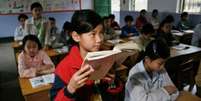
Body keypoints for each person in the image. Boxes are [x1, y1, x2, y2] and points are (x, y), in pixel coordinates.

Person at [50, 10, 113, 101]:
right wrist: (70, 88)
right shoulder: (64, 68)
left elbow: (110, 94)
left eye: (101, 33)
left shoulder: (105, 58)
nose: (99, 39)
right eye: (93, 34)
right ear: (76, 36)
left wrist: (112, 82)